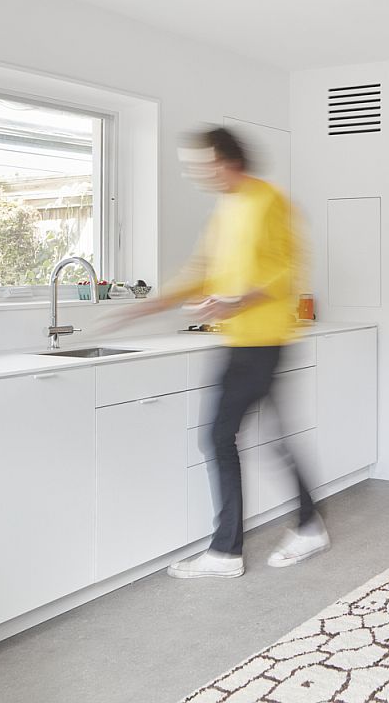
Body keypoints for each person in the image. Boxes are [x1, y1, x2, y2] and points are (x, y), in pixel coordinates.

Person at [115, 127, 328, 579]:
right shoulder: (225, 209)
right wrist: (154, 304)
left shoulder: (268, 201)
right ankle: (306, 526)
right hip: (240, 340)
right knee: (268, 438)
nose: (197, 172)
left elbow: (290, 269)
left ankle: (227, 551)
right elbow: (204, 269)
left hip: (262, 340)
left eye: (202, 163)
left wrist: (238, 301)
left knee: (218, 437)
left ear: (226, 161)